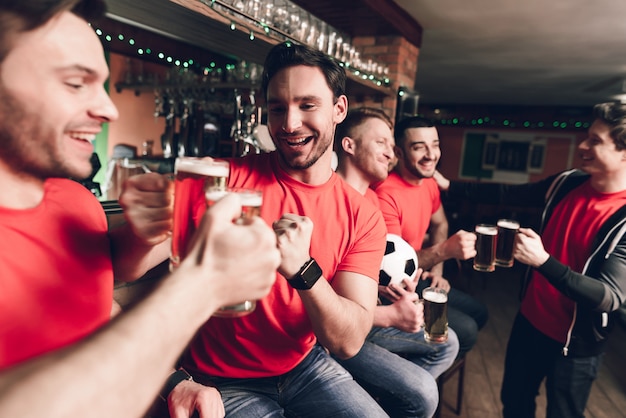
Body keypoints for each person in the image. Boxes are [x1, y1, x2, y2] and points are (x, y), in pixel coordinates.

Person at [0, 1, 280, 417]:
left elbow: (96, 309)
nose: (108, 109)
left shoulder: (75, 200)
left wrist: (174, 383)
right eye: (76, 83)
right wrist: (201, 286)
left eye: (102, 85)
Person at [123, 42, 389, 417]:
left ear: (338, 110)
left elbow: (347, 340)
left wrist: (302, 268)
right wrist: (144, 224)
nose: (289, 124)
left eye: (307, 105)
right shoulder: (220, 179)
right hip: (217, 379)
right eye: (277, 108)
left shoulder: (362, 214)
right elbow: (129, 269)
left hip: (303, 367)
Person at [435, 101, 626, 418]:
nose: (582, 145)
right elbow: (508, 194)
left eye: (596, 140)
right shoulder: (567, 182)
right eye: (587, 136)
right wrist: (449, 185)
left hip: (574, 346)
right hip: (529, 322)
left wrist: (543, 262)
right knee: (514, 405)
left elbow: (610, 297)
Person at [333, 106, 460, 417]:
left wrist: (405, 292)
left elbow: (385, 264)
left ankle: (383, 394)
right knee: (422, 393)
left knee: (447, 339)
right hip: (346, 327)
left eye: (392, 145)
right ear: (348, 145)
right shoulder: (332, 200)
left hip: (377, 308)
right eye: (382, 143)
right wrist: (391, 315)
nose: (391, 153)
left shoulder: (373, 198)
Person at [373, 116, 489, 358]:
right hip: (395, 292)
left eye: (434, 145)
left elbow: (441, 223)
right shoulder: (386, 194)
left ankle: (429, 359)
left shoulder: (428, 183)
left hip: (420, 276)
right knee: (466, 331)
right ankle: (421, 367)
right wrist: (444, 251)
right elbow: (392, 268)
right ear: (399, 152)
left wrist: (438, 272)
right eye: (418, 147)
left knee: (479, 312)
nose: (431, 155)